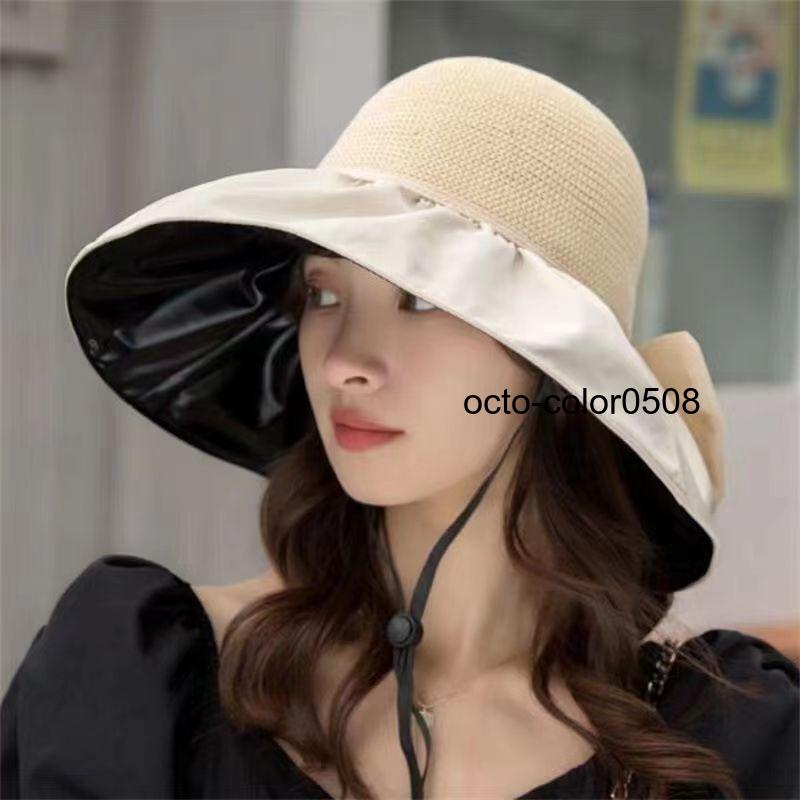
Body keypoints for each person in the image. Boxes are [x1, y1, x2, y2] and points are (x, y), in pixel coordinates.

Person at [2, 56, 798, 800]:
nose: (344, 361)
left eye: (419, 298)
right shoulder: (138, 679)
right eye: (323, 294)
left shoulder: (728, 738)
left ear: (556, 370)